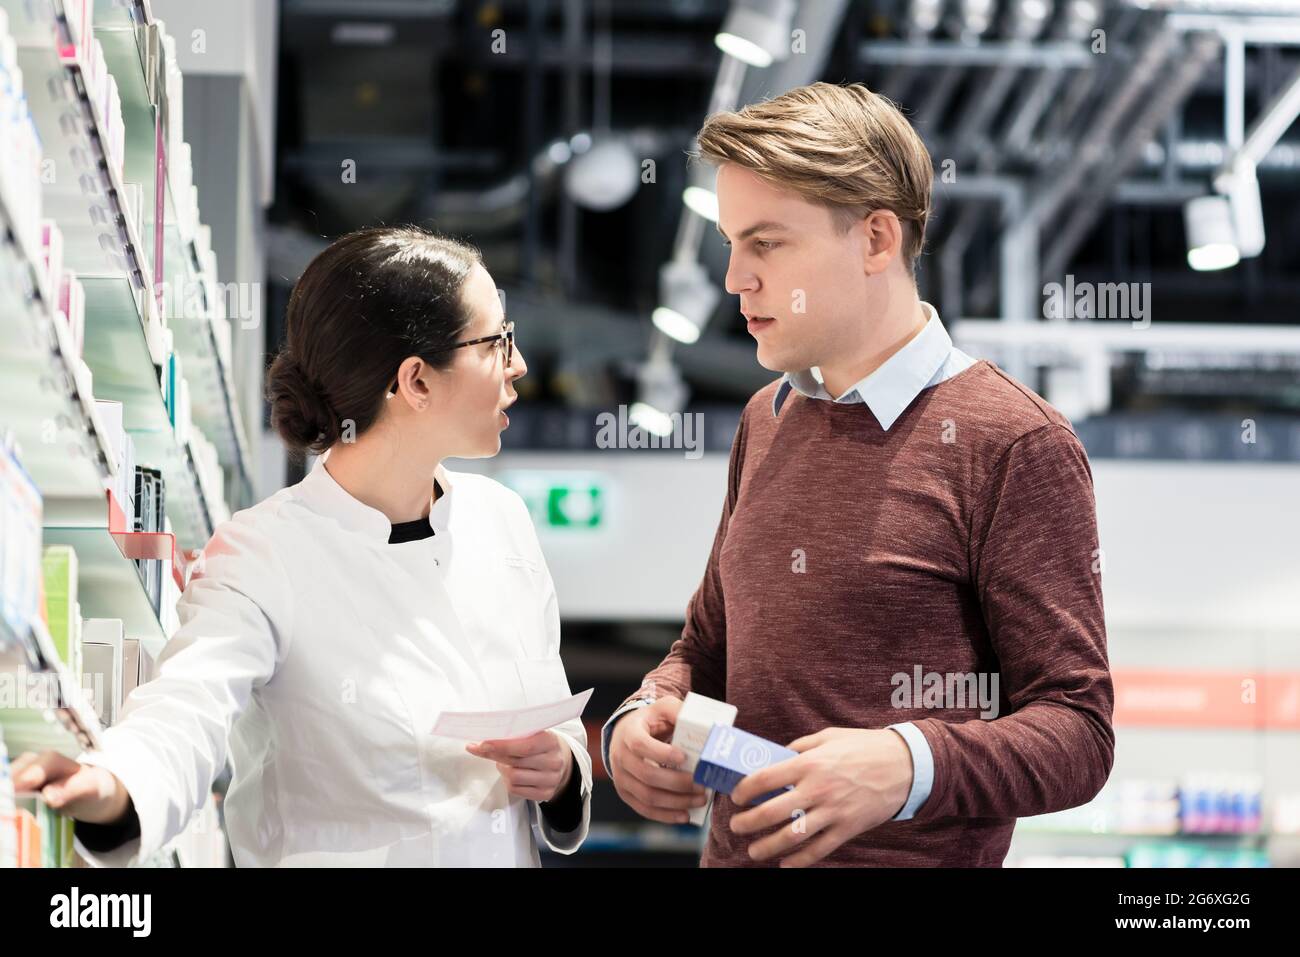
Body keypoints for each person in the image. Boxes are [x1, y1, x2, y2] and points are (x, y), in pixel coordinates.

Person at [603, 82, 1115, 867]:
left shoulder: (1014, 442)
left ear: (876, 239)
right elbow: (706, 642)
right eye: (731, 241)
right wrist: (646, 713)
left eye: (766, 243)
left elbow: (1079, 730)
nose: (735, 277)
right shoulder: (765, 418)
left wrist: (908, 763)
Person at [12, 225, 592, 867]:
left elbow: (551, 715)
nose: (519, 366)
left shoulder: (502, 522)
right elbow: (187, 706)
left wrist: (563, 768)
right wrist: (116, 785)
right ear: (416, 382)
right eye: (497, 342)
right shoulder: (263, 553)